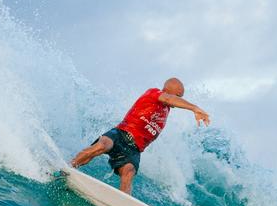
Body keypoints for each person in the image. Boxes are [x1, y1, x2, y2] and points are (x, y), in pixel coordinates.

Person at [70, 77, 210, 194]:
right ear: (169, 91)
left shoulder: (166, 110)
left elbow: (168, 102)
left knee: (128, 172)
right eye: (178, 96)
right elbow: (168, 99)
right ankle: (69, 167)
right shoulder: (154, 93)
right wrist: (194, 108)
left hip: (134, 149)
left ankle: (123, 205)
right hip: (121, 133)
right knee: (102, 145)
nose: (179, 99)